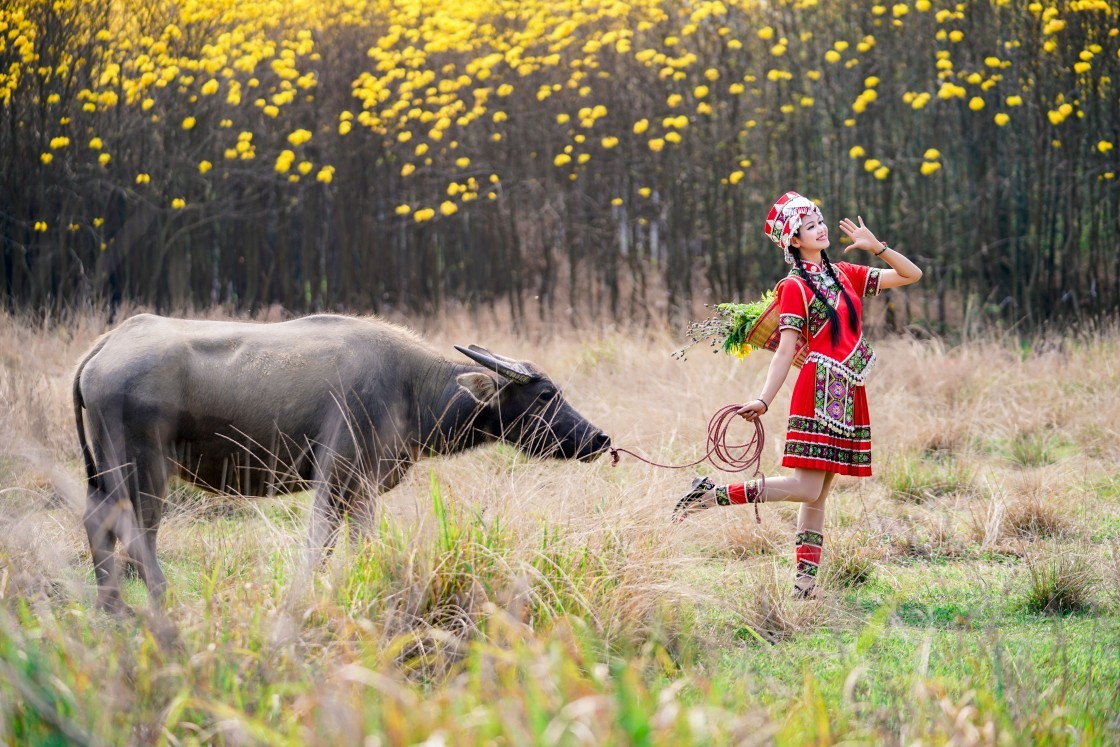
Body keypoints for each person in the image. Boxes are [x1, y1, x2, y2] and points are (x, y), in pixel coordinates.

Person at [673, 191, 923, 598]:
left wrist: (877, 247)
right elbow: (787, 349)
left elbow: (911, 275)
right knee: (806, 488)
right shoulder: (793, 286)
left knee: (819, 495)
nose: (821, 228)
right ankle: (709, 496)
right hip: (818, 387)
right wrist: (763, 399)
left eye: (820, 220)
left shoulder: (846, 273)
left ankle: (804, 586)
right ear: (793, 239)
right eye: (810, 226)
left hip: (849, 388)